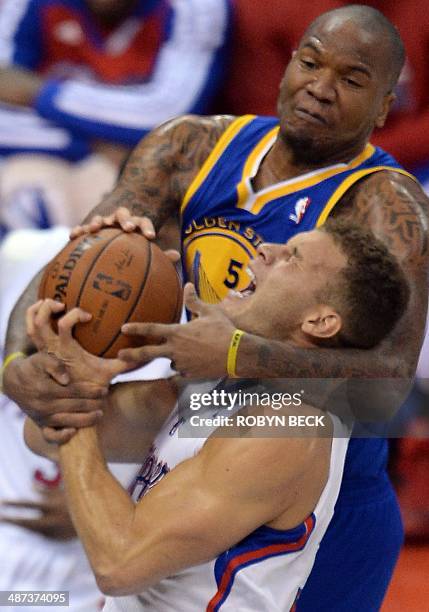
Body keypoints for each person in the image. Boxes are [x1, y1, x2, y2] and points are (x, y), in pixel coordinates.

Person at [3, 4, 429, 610]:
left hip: (310, 480)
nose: (320, 87)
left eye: (352, 79)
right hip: (191, 430)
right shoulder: (188, 146)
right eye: (310, 62)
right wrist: (22, 362)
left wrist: (236, 350)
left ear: (385, 106)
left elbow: (390, 386)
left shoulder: (389, 207)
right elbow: (84, 258)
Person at [24, 219, 409, 611]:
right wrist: (87, 350)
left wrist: (73, 393)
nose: (265, 249)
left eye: (292, 257)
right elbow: (41, 435)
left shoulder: (287, 427)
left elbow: (119, 564)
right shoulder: (212, 383)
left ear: (320, 322)